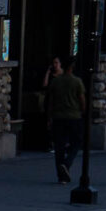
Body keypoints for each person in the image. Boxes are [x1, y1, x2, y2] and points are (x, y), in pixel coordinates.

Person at [46, 57, 87, 185]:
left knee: (59, 146)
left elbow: (51, 101)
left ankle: (61, 175)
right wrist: (83, 112)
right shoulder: (77, 82)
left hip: (58, 117)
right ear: (72, 67)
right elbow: (81, 100)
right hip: (73, 116)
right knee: (77, 142)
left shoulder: (56, 81)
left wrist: (49, 117)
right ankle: (67, 163)